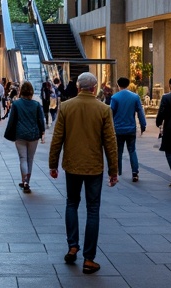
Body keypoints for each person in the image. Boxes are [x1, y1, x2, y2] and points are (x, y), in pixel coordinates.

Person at [48, 71, 119, 275]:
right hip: (94, 166)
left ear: (78, 87)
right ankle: (89, 258)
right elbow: (110, 143)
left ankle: (72, 246)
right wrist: (113, 170)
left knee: (71, 203)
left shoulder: (67, 107)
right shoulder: (104, 109)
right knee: (93, 209)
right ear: (95, 88)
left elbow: (57, 138)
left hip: (72, 165)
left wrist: (53, 164)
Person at [4, 80, 45, 193]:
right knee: (30, 159)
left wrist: (9, 133)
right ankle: (27, 181)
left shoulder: (16, 104)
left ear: (21, 91)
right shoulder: (36, 105)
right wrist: (42, 132)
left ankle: (24, 180)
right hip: (33, 135)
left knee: (23, 158)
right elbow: (40, 120)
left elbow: (12, 120)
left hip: (20, 134)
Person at [109, 76, 147, 182]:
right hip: (131, 128)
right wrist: (143, 125)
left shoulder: (115, 98)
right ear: (128, 84)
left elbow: (110, 113)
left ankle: (118, 171)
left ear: (118, 84)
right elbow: (140, 111)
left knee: (118, 151)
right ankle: (135, 173)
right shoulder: (135, 97)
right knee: (132, 150)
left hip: (118, 129)